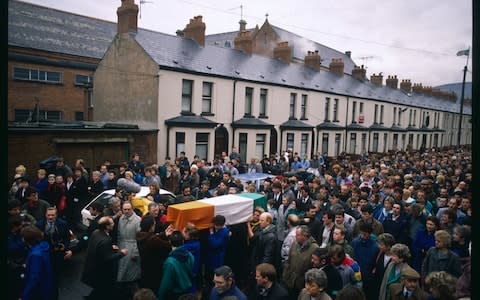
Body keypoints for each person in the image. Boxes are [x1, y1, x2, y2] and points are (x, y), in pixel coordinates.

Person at [82, 216, 128, 299]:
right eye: (112, 223)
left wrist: (110, 247)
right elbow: (108, 258)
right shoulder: (106, 240)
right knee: (103, 290)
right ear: (107, 226)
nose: (114, 224)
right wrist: (121, 253)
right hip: (102, 272)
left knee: (99, 289)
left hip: (93, 267)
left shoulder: (96, 232)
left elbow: (98, 248)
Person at [112, 201, 142, 299]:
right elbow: (119, 235)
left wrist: (135, 253)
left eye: (129, 209)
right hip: (122, 248)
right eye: (125, 209)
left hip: (132, 249)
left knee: (131, 277)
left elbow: (139, 238)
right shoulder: (121, 219)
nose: (127, 211)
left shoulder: (138, 220)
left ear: (132, 209)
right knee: (122, 273)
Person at [282, 225, 319, 298]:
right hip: (290, 282)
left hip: (302, 285)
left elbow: (314, 268)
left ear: (304, 236)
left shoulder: (314, 248)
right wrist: (285, 275)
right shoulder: (294, 244)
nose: (295, 236)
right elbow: (288, 261)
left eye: (298, 235)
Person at [20, 225, 56, 300]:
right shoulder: (43, 246)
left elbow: (34, 277)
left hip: (39, 290)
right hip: (47, 284)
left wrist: (24, 295)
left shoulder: (36, 255)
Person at [157, 230, 195, 299]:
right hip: (187, 291)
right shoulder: (190, 255)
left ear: (170, 242)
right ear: (183, 241)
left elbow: (166, 284)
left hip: (175, 294)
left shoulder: (170, 262)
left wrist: (160, 296)